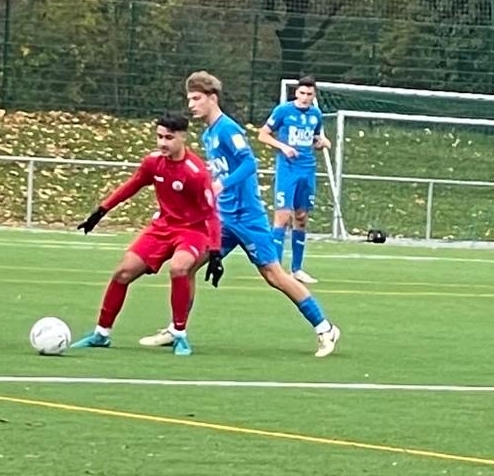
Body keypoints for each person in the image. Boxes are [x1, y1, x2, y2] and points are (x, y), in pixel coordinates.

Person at [133, 73, 340, 357]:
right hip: (223, 219)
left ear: (212, 98)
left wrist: (223, 184)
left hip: (247, 217)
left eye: (196, 98)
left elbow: (249, 164)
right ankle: (176, 329)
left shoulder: (227, 129)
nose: (191, 105)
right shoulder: (208, 133)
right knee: (185, 267)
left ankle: (325, 328)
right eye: (189, 99)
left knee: (274, 275)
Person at [69, 112, 221, 356]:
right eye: (159, 136)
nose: (162, 143)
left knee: (179, 268)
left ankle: (179, 334)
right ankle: (101, 333)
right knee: (123, 273)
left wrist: (215, 252)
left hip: (192, 231)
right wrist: (101, 210)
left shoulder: (195, 172)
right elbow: (131, 186)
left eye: (169, 138)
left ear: (183, 137)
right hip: (162, 228)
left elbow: (211, 214)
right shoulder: (153, 162)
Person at [257, 75, 326, 283]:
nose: (305, 97)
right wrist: (283, 147)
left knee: (302, 217)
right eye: (302, 93)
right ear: (296, 93)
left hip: (307, 170)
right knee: (283, 216)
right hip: (288, 170)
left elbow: (314, 139)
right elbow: (263, 134)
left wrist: (321, 142)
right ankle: (274, 268)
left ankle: (297, 269)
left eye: (309, 94)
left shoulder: (316, 114)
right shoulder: (283, 111)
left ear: (313, 95)